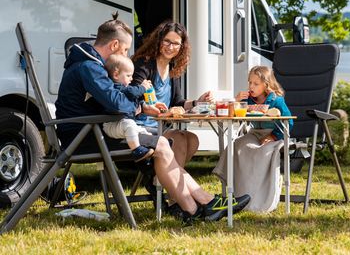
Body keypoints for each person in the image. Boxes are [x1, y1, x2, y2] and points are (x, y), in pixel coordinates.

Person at [55, 19, 250, 223]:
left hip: (90, 131)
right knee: (163, 144)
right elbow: (118, 103)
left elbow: (117, 100)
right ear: (114, 46)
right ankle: (200, 206)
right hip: (82, 137)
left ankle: (197, 207)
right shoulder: (90, 67)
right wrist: (139, 107)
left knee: (167, 143)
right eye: (124, 50)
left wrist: (132, 105)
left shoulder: (89, 63)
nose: (124, 56)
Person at [131, 21, 213, 167]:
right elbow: (133, 97)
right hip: (141, 126)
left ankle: (159, 179)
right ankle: (170, 185)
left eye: (176, 43)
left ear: (182, 47)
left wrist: (196, 102)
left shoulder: (173, 69)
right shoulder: (144, 64)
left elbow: (177, 102)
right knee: (178, 138)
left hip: (162, 126)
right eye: (167, 41)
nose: (170, 47)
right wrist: (155, 110)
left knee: (193, 139)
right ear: (158, 40)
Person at [213, 65, 293, 213]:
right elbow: (233, 114)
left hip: (274, 134)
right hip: (255, 133)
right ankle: (236, 190)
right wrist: (235, 101)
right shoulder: (248, 100)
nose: (251, 86)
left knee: (264, 152)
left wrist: (274, 135)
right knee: (238, 144)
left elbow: (290, 122)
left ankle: (260, 195)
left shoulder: (277, 101)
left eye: (256, 84)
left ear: (266, 85)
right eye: (250, 82)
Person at [102, 54, 154, 162]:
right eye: (128, 75)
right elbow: (132, 92)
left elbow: (132, 97)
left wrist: (138, 107)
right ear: (116, 75)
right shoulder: (116, 86)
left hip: (120, 124)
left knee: (142, 130)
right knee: (130, 125)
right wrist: (143, 87)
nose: (132, 79)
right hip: (111, 125)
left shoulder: (123, 87)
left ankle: (153, 148)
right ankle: (137, 150)